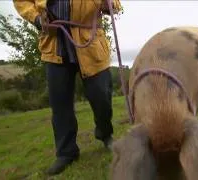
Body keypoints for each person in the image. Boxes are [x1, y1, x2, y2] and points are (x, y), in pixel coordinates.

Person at [13, 0, 122, 176]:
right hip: (54, 43)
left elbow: (115, 3)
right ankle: (66, 153)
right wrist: (37, 19)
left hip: (91, 42)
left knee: (102, 95)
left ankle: (105, 134)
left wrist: (110, 4)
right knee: (60, 104)